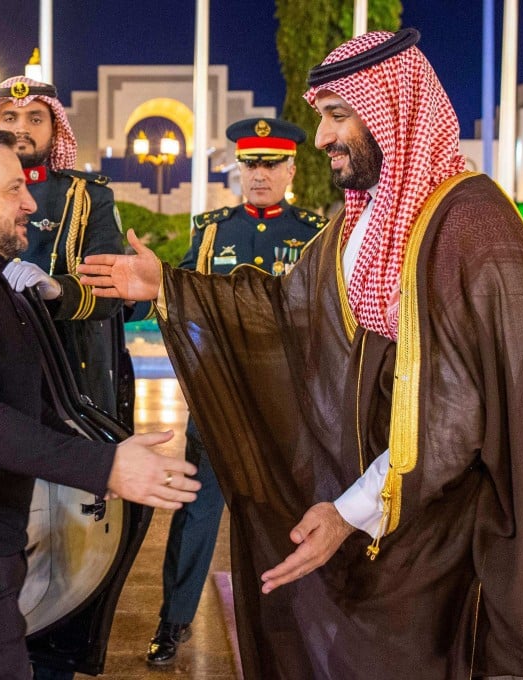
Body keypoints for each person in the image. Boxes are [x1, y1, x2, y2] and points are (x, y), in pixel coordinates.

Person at [79, 28, 523, 680]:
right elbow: (283, 312)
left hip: (436, 531)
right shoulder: (354, 222)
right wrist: (167, 284)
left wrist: (352, 510)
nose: (324, 137)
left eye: (339, 115)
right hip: (361, 515)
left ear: (393, 110)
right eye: (321, 117)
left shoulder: (471, 224)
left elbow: (457, 411)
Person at [0, 124, 200, 679]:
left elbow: (28, 393)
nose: (31, 201)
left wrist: (111, 444)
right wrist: (105, 466)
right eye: (12, 189)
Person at [145, 117, 326, 666]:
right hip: (220, 397)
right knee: (197, 513)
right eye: (251, 164)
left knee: (290, 515)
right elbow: (179, 294)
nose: (261, 174)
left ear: (292, 168)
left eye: (272, 164)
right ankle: (172, 622)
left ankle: (297, 620)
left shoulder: (316, 232)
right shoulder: (212, 230)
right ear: (239, 169)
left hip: (286, 404)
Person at [0, 76, 131, 424]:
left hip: (71, 381)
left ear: (54, 128)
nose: (22, 128)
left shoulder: (89, 196)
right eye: (10, 118)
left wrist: (58, 288)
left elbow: (110, 293)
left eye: (35, 118)